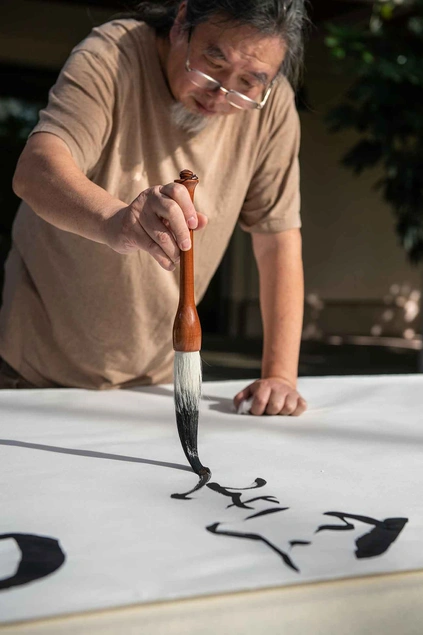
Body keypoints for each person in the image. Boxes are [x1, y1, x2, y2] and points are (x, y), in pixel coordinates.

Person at [0, 0, 308, 416]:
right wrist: (115, 221)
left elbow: (277, 241)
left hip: (157, 382)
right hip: (36, 370)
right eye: (213, 61)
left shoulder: (270, 107)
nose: (222, 94)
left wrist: (281, 376)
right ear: (182, 23)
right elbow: (36, 170)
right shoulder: (113, 54)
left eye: (249, 82)